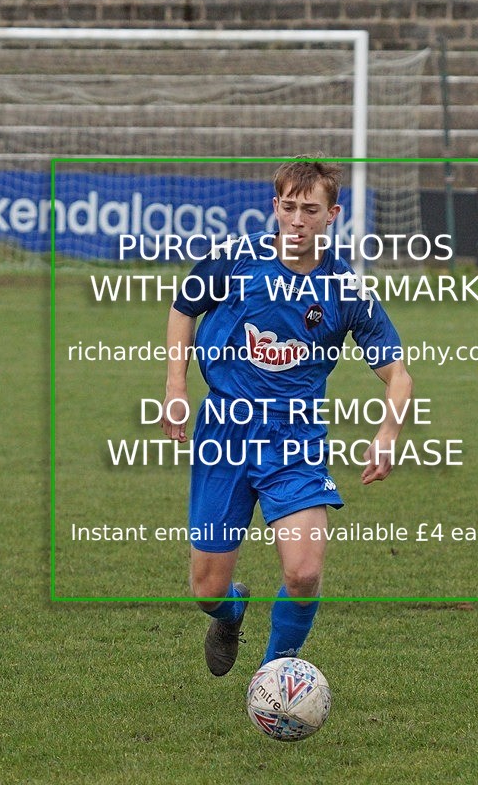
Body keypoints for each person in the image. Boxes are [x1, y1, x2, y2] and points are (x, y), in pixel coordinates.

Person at [161, 156, 412, 676]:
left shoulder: (345, 289)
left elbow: (399, 375)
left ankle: (277, 675)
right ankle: (229, 614)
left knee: (303, 571)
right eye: (289, 207)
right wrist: (176, 385)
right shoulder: (236, 259)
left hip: (294, 439)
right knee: (207, 589)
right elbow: (184, 307)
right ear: (275, 206)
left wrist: (387, 433)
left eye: (310, 209)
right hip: (224, 432)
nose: (297, 220)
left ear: (332, 214)